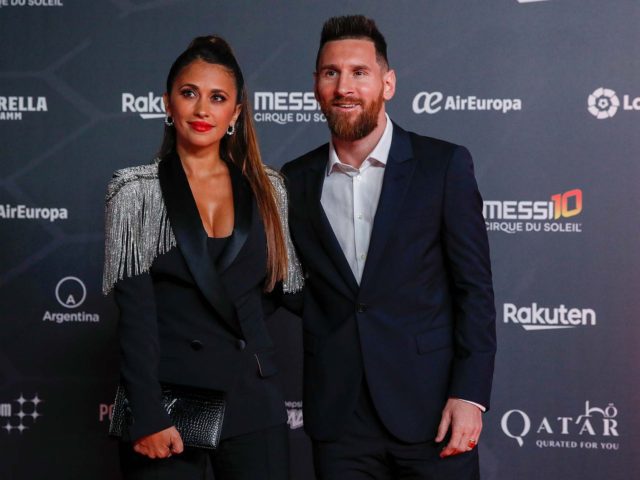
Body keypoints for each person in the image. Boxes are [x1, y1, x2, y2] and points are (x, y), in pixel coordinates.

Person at [281, 15, 496, 480]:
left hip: (433, 411)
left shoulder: (442, 166)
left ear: (388, 82)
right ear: (316, 86)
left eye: (360, 72)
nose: (345, 86)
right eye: (330, 73)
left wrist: (470, 395)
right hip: (340, 420)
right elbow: (289, 281)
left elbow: (474, 290)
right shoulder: (292, 181)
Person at [102, 35, 302, 480]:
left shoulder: (271, 190)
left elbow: (278, 292)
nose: (201, 109)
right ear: (167, 104)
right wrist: (148, 414)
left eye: (217, 98)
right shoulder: (135, 192)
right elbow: (135, 315)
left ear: (235, 113)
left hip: (254, 400)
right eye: (189, 93)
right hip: (168, 402)